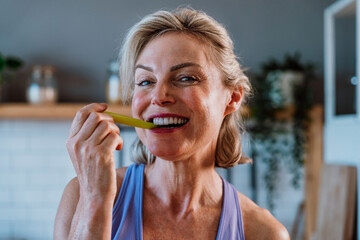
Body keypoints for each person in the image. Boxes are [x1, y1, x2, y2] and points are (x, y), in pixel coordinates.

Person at [54, 8, 290, 240]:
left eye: (186, 78)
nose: (159, 96)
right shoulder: (80, 196)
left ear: (233, 97)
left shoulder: (263, 233)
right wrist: (95, 200)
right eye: (146, 81)